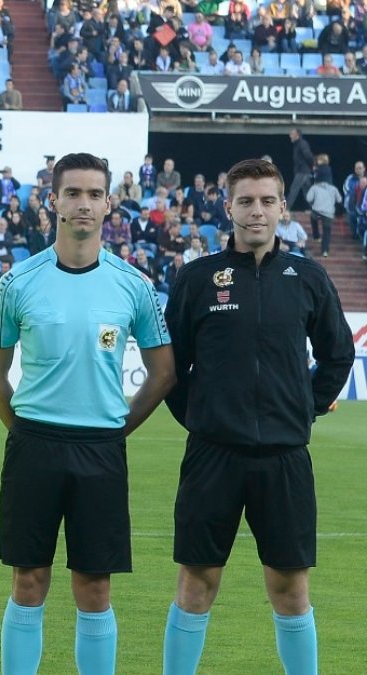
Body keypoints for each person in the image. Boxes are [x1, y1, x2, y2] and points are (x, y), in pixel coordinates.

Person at [0, 153, 177, 675]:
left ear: (109, 203)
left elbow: (163, 372)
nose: (83, 204)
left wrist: (117, 428)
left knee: (95, 586)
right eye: (73, 193)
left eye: (94, 194)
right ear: (54, 200)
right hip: (34, 447)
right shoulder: (16, 281)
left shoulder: (132, 285)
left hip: (101, 449)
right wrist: (21, 428)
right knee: (28, 581)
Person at [161, 158, 355, 675]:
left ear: (282, 208)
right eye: (245, 201)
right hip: (211, 457)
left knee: (290, 588)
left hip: (285, 458)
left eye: (267, 200)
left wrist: (302, 408)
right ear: (227, 207)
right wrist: (204, 417)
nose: (256, 211)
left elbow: (337, 355)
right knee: (196, 582)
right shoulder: (197, 278)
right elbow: (170, 368)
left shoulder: (307, 277)